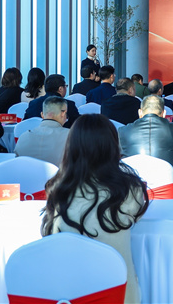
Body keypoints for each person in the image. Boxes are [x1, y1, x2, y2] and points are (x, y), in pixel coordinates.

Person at [41, 114, 149, 304]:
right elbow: (135, 217)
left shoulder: (58, 190)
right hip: (119, 294)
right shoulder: (129, 189)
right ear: (113, 146)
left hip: (69, 294)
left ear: (71, 147)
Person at [119, 95, 173, 199]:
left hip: (132, 192)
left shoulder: (123, 131)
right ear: (164, 113)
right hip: (170, 192)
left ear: (140, 112)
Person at [15, 96, 70, 166]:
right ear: (63, 114)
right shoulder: (70, 136)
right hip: (60, 173)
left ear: (42, 115)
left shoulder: (23, 137)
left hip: (28, 172)